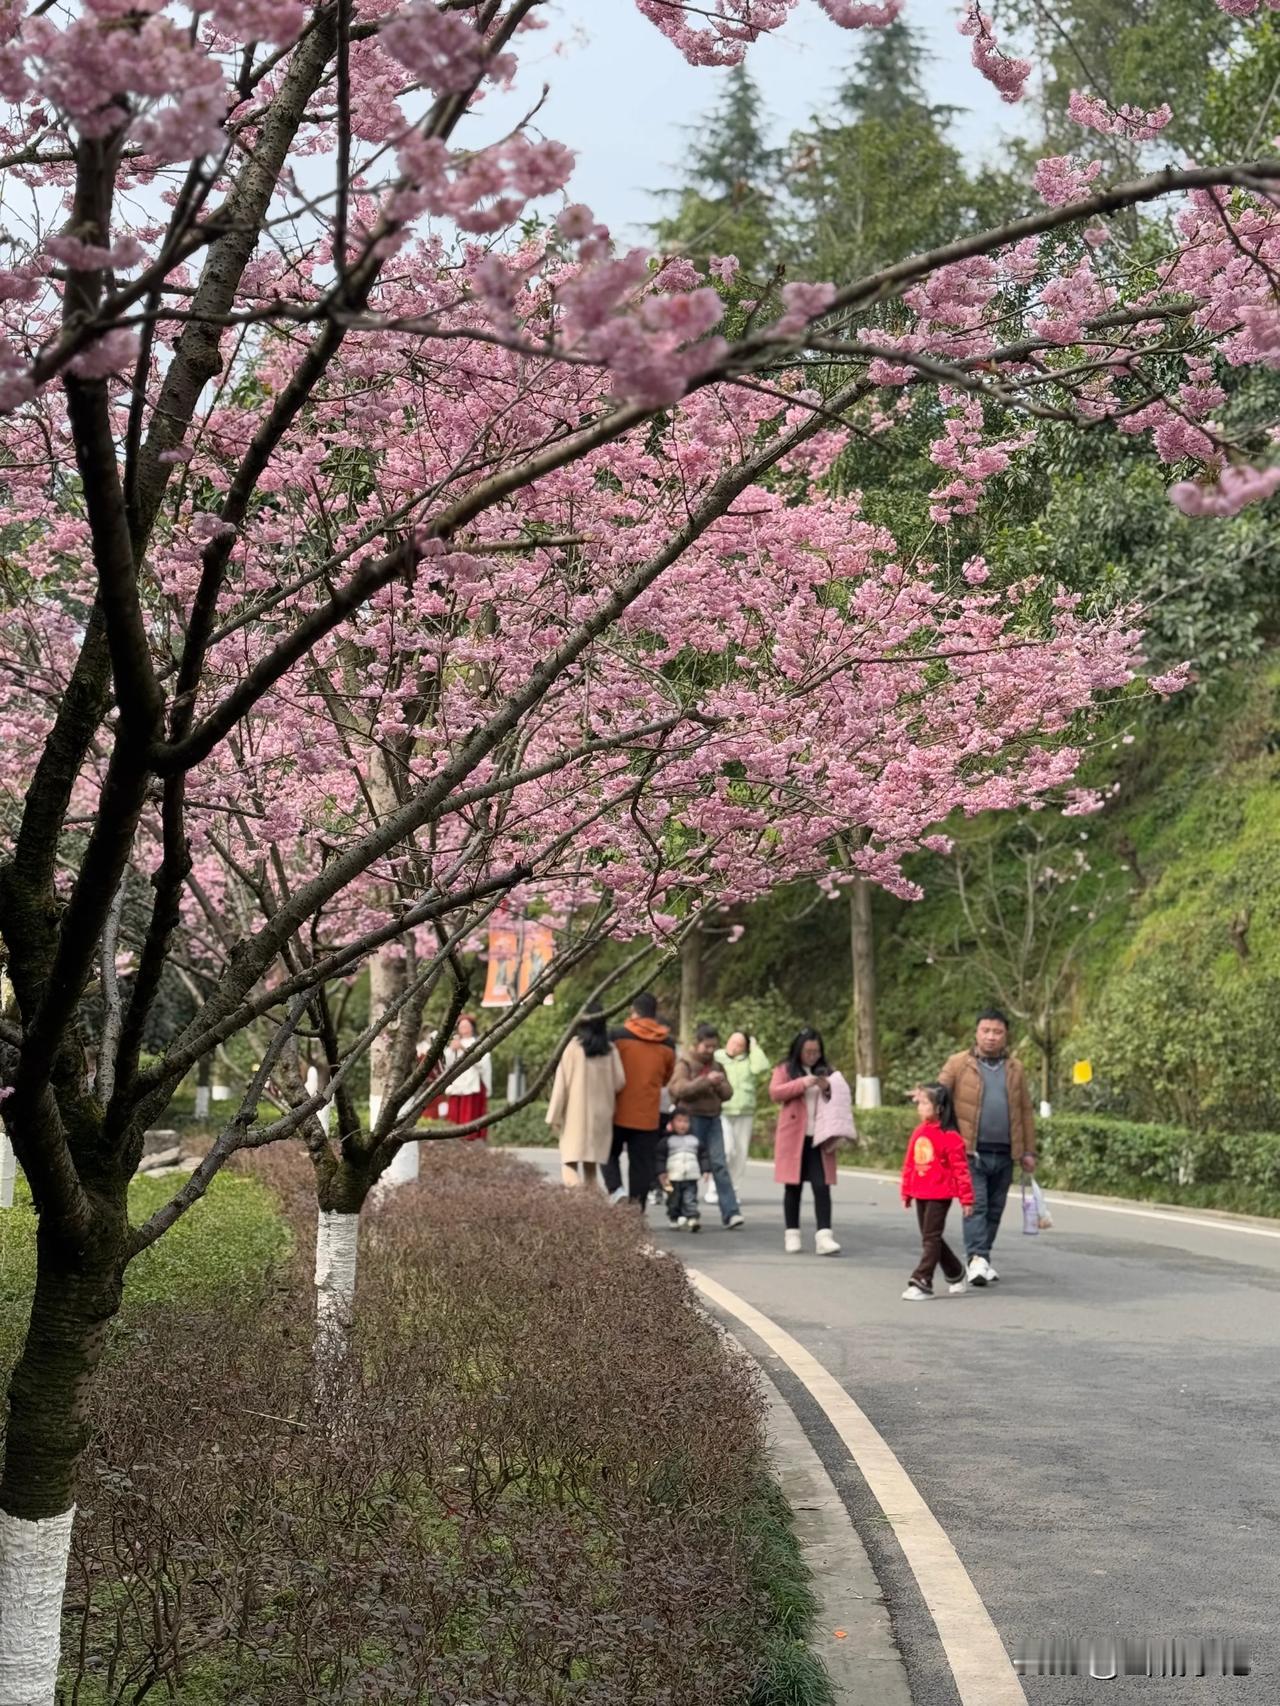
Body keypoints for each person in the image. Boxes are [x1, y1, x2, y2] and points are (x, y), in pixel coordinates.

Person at [938, 1007, 1037, 1287]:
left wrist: (1028, 1151)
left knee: (995, 1208)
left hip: (1005, 1152)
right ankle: (976, 1258)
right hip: (970, 1152)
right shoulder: (958, 1064)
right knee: (976, 1205)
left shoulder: (1015, 1069)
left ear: (1006, 1036)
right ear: (976, 1033)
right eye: (986, 1031)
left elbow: (1025, 1111)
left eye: (997, 1032)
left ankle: (983, 1258)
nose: (991, 1037)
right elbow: (939, 1097)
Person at [900, 1083, 975, 1301]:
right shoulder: (919, 1132)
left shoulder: (950, 1137)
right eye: (919, 1103)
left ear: (939, 1108)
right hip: (920, 1192)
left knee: (930, 1238)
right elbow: (910, 1164)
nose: (919, 1108)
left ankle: (922, 1280)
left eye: (925, 1103)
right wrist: (906, 1190)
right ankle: (956, 1272)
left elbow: (961, 1171)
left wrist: (966, 1199)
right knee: (931, 1236)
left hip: (940, 1194)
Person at [768, 1028, 840, 1255]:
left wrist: (828, 1086)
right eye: (808, 1051)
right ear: (799, 1050)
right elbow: (775, 1093)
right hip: (794, 1136)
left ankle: (825, 1236)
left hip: (819, 1138)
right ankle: (792, 1232)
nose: (812, 1055)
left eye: (816, 1051)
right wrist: (803, 1083)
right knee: (793, 1186)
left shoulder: (827, 1070)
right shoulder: (785, 1069)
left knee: (822, 1186)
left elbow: (841, 1095)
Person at [605, 992, 676, 1208]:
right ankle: (636, 1212)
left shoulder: (617, 1036)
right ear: (655, 1014)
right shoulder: (668, 1044)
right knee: (641, 1166)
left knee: (607, 1154)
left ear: (633, 1011)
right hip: (647, 1114)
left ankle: (616, 1191)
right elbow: (666, 1078)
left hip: (616, 1110)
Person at [670, 1023, 744, 1229]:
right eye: (707, 1047)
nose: (710, 1051)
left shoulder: (717, 1066)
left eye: (714, 1047)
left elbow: (728, 1094)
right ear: (697, 1044)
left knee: (720, 1164)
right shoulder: (685, 1064)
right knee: (688, 1166)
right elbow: (678, 1089)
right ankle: (685, 1210)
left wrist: (719, 1084)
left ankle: (731, 1213)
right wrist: (704, 1081)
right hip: (691, 1120)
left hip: (713, 1119)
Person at [546, 1004, 626, 1189]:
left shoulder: (573, 1048)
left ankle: (580, 1203)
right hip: (601, 1117)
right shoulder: (610, 1050)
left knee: (568, 1164)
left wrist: (553, 1117)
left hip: (575, 1116)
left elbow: (561, 1086)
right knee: (591, 1169)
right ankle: (592, 1208)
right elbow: (620, 1082)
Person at [708, 1029, 771, 1203]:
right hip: (723, 1111)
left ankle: (733, 1191)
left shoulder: (749, 1060)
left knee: (740, 1154)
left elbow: (762, 1067)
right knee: (726, 1150)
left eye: (740, 1045)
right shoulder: (717, 1057)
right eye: (732, 1042)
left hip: (745, 1111)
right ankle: (715, 1188)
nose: (734, 1047)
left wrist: (755, 1046)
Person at [656, 1107, 712, 1233]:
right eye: (679, 1121)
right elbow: (660, 1159)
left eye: (686, 1121)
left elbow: (703, 1156)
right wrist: (661, 1173)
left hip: (690, 1177)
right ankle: (674, 1217)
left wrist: (706, 1170)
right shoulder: (666, 1141)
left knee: (690, 1198)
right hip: (671, 1178)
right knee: (673, 1199)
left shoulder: (694, 1141)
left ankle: (692, 1218)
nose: (682, 1125)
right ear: (672, 1123)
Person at [437, 1013, 492, 1139]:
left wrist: (463, 1048)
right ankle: (453, 1137)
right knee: (455, 1113)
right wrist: (451, 1050)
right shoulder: (454, 1043)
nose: (464, 1029)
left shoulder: (477, 1042)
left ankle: (471, 1137)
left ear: (472, 1027)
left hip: (473, 1083)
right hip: (457, 1083)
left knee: (470, 1112)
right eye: (461, 1026)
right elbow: (446, 1064)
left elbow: (482, 1063)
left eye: (466, 1026)